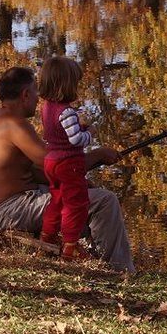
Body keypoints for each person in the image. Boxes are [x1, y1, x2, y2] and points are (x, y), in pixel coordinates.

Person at [0, 66, 136, 273]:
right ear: (25, 95)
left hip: (3, 207)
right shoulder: (15, 125)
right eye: (35, 92)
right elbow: (59, 165)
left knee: (85, 192)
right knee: (105, 201)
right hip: (10, 210)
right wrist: (99, 155)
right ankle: (120, 270)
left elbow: (41, 171)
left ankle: (94, 256)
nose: (38, 97)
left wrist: (81, 179)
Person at [37, 56, 95, 259]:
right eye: (76, 83)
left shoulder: (46, 108)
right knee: (76, 203)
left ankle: (47, 237)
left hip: (51, 161)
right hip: (68, 163)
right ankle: (71, 245)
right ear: (67, 85)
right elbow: (75, 139)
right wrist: (89, 133)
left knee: (57, 200)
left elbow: (59, 133)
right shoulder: (67, 112)